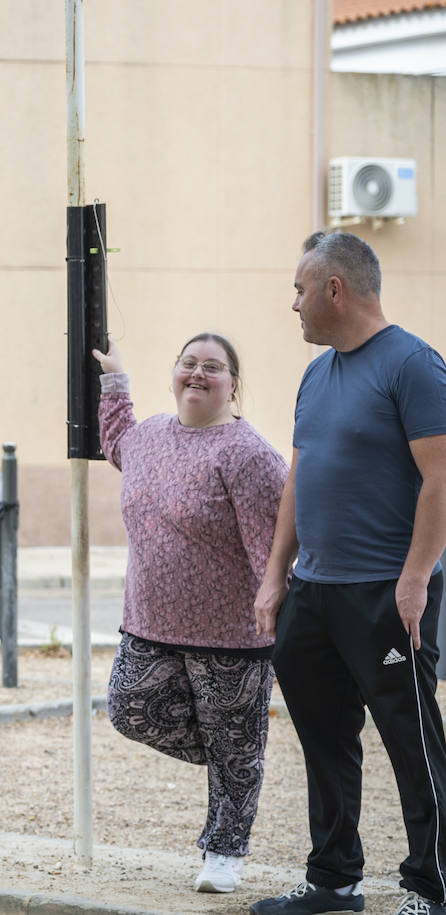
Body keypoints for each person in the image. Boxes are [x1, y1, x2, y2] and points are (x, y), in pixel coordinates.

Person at [250, 232, 446, 915]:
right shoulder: (316, 374)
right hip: (315, 591)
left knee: (411, 739)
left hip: (387, 592)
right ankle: (335, 880)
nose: (293, 304)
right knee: (325, 739)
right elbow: (300, 480)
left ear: (335, 289)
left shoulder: (413, 365)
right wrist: (276, 574)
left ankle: (432, 886)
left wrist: (416, 578)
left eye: (300, 290)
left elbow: (441, 477)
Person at [92, 333, 287, 895]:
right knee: (130, 709)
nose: (198, 375)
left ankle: (224, 852)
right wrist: (114, 379)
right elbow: (115, 440)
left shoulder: (247, 454)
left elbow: (273, 545)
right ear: (173, 372)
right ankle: (237, 761)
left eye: (213, 367)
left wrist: (278, 606)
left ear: (233, 383)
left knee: (234, 745)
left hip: (231, 633)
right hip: (149, 623)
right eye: (188, 364)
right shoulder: (149, 437)